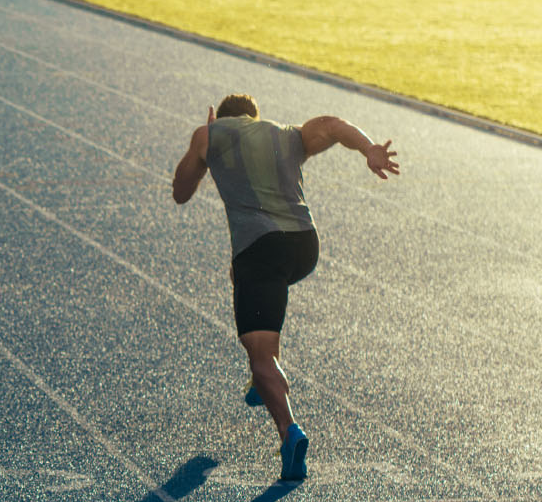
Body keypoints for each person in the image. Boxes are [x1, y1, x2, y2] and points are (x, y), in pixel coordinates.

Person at [171, 93, 400, 480]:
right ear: (254, 118)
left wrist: (205, 143)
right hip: (303, 246)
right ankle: (263, 381)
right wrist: (369, 149)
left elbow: (181, 191)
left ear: (222, 119)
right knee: (244, 278)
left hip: (261, 250)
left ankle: (288, 429)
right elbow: (331, 123)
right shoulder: (286, 134)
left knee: (261, 354)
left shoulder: (210, 134)